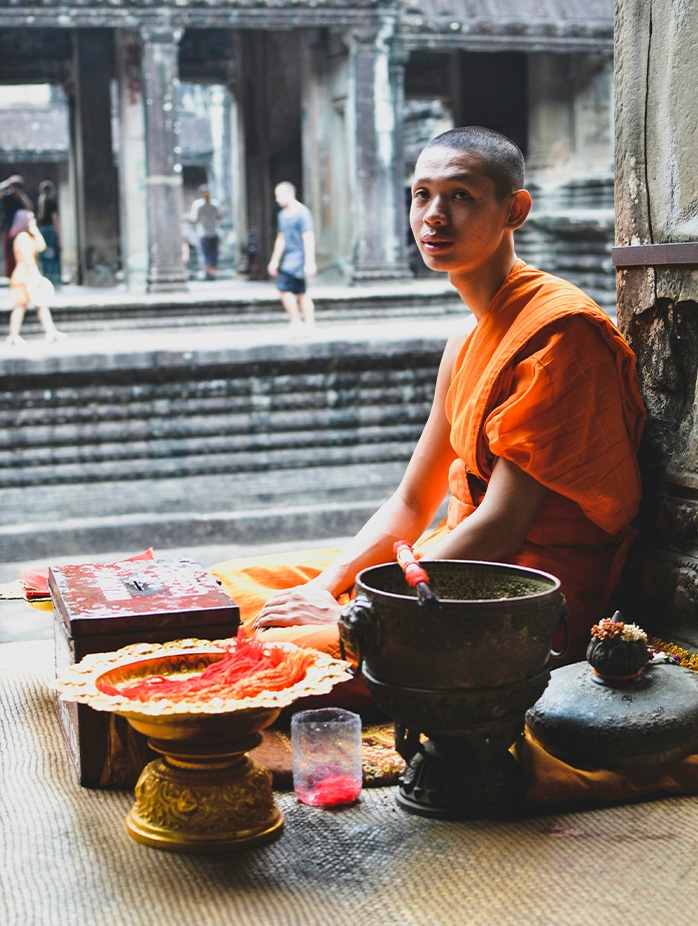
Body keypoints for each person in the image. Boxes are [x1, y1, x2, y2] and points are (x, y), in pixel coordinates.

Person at [209, 126, 645, 703]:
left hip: (524, 596)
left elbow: (500, 528)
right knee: (238, 590)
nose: (434, 216)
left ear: (515, 210)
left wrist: (359, 604)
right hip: (445, 560)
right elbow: (413, 502)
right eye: (421, 195)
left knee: (266, 659)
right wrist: (323, 587)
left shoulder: (557, 333)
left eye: (461, 196)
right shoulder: (465, 338)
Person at [6, 210, 66, 345]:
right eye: (31, 219)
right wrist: (37, 276)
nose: (33, 221)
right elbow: (27, 260)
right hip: (24, 275)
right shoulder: (22, 238)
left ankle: (51, 332)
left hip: (30, 274)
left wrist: (35, 230)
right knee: (20, 306)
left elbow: (41, 246)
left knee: (42, 304)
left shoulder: (29, 236)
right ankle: (13, 335)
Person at [267, 181, 317, 329]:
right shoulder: (282, 215)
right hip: (289, 257)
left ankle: (296, 320)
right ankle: (309, 323)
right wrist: (274, 260)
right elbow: (281, 238)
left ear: (291, 194)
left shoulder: (303, 213)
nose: (277, 199)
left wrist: (309, 261)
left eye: (280, 196)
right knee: (301, 291)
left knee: (283, 286)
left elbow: (308, 236)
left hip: (298, 258)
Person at [1, 175, 33, 279]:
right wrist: (7, 183)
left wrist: (20, 195)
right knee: (9, 254)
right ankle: (11, 275)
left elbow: (29, 207)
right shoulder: (7, 196)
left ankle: (23, 274)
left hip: (21, 231)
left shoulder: (21, 198)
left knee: (22, 254)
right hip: (8, 228)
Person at [190, 185, 222, 280]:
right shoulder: (215, 204)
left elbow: (194, 219)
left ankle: (208, 272)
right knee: (211, 253)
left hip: (204, 233)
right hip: (211, 232)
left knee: (205, 253)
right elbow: (220, 217)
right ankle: (211, 272)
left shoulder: (198, 205)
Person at [36, 180, 62, 285]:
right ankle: (54, 280)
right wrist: (59, 236)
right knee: (52, 255)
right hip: (51, 230)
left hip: (43, 230)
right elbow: (55, 220)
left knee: (45, 255)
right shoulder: (51, 203)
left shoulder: (41, 202)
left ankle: (46, 277)